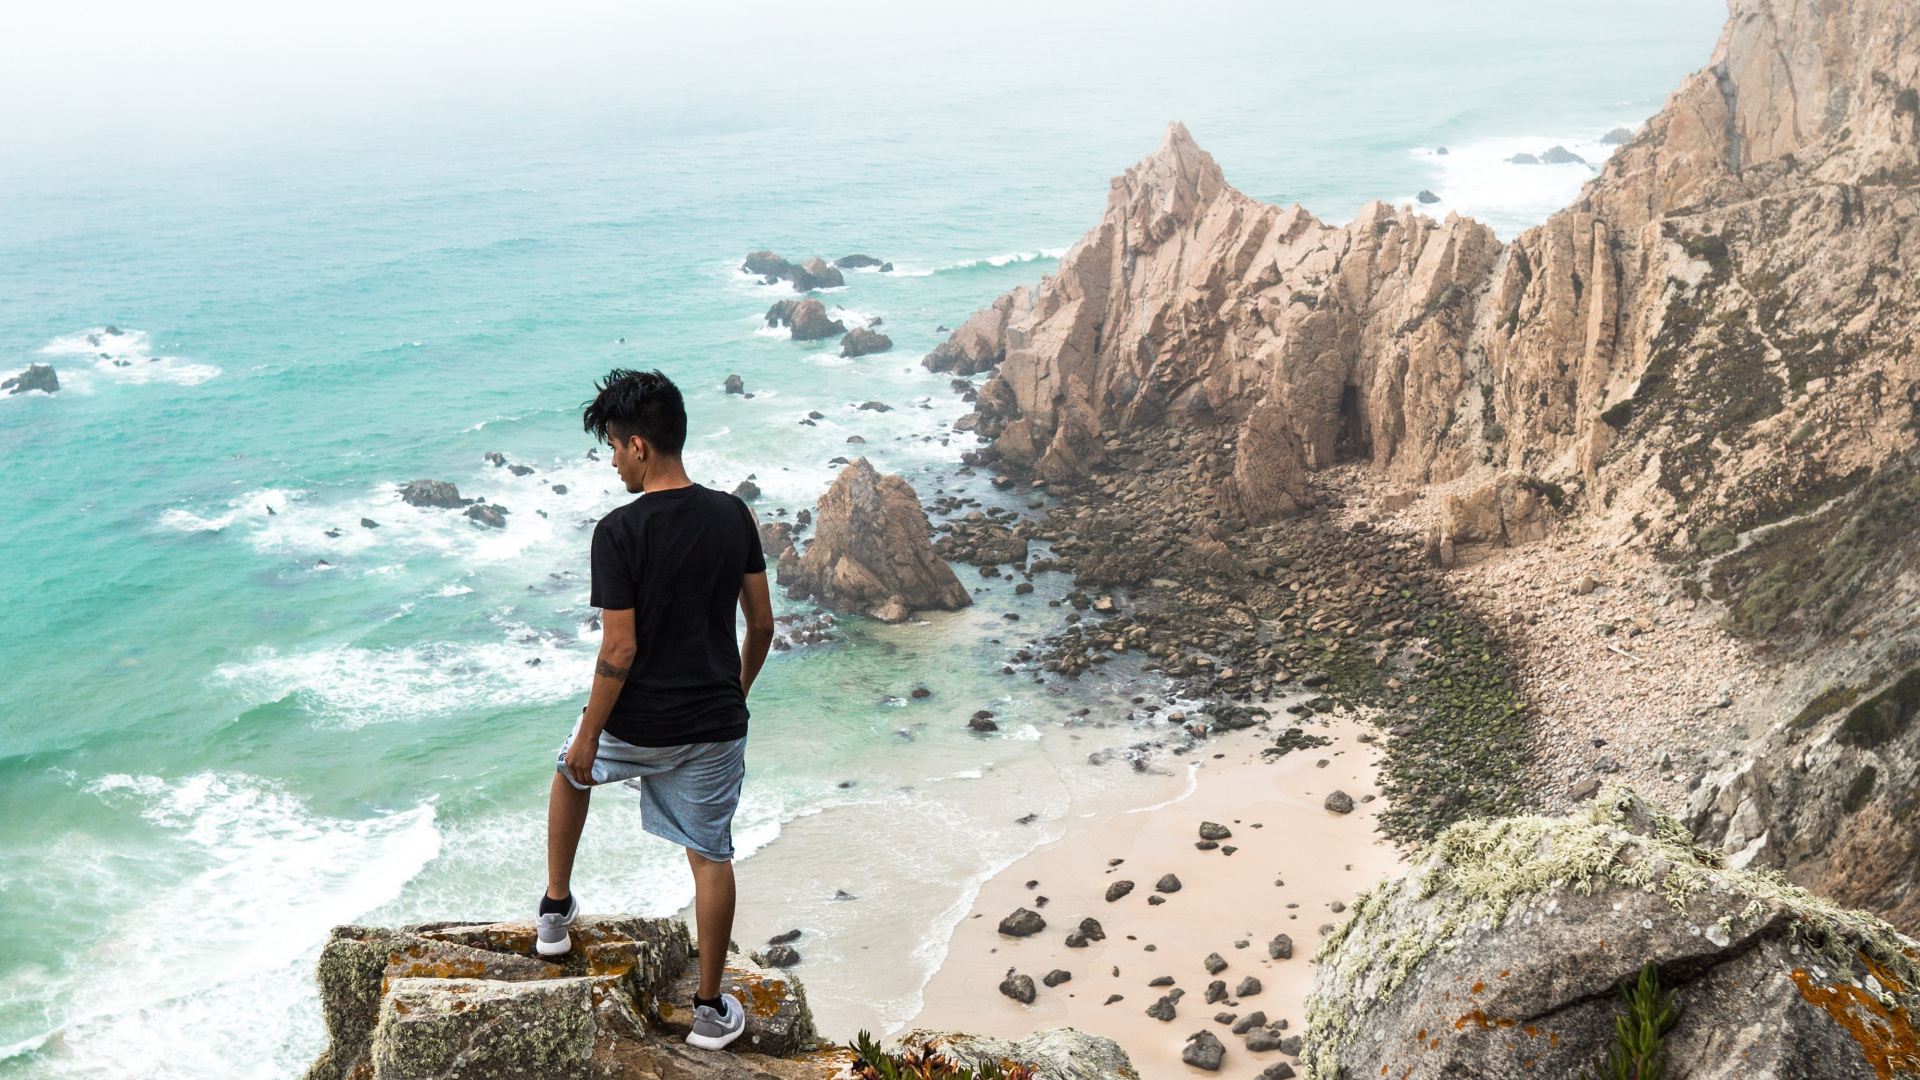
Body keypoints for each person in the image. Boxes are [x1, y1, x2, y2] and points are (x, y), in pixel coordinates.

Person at [538, 368, 774, 1052]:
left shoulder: (618, 531)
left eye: (614, 447)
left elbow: (620, 647)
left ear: (639, 445)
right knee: (711, 856)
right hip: (714, 724)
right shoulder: (733, 514)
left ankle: (554, 913)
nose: (613, 461)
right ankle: (709, 1011)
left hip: (636, 723)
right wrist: (735, 692)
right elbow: (762, 625)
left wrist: (590, 736)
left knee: (569, 773)